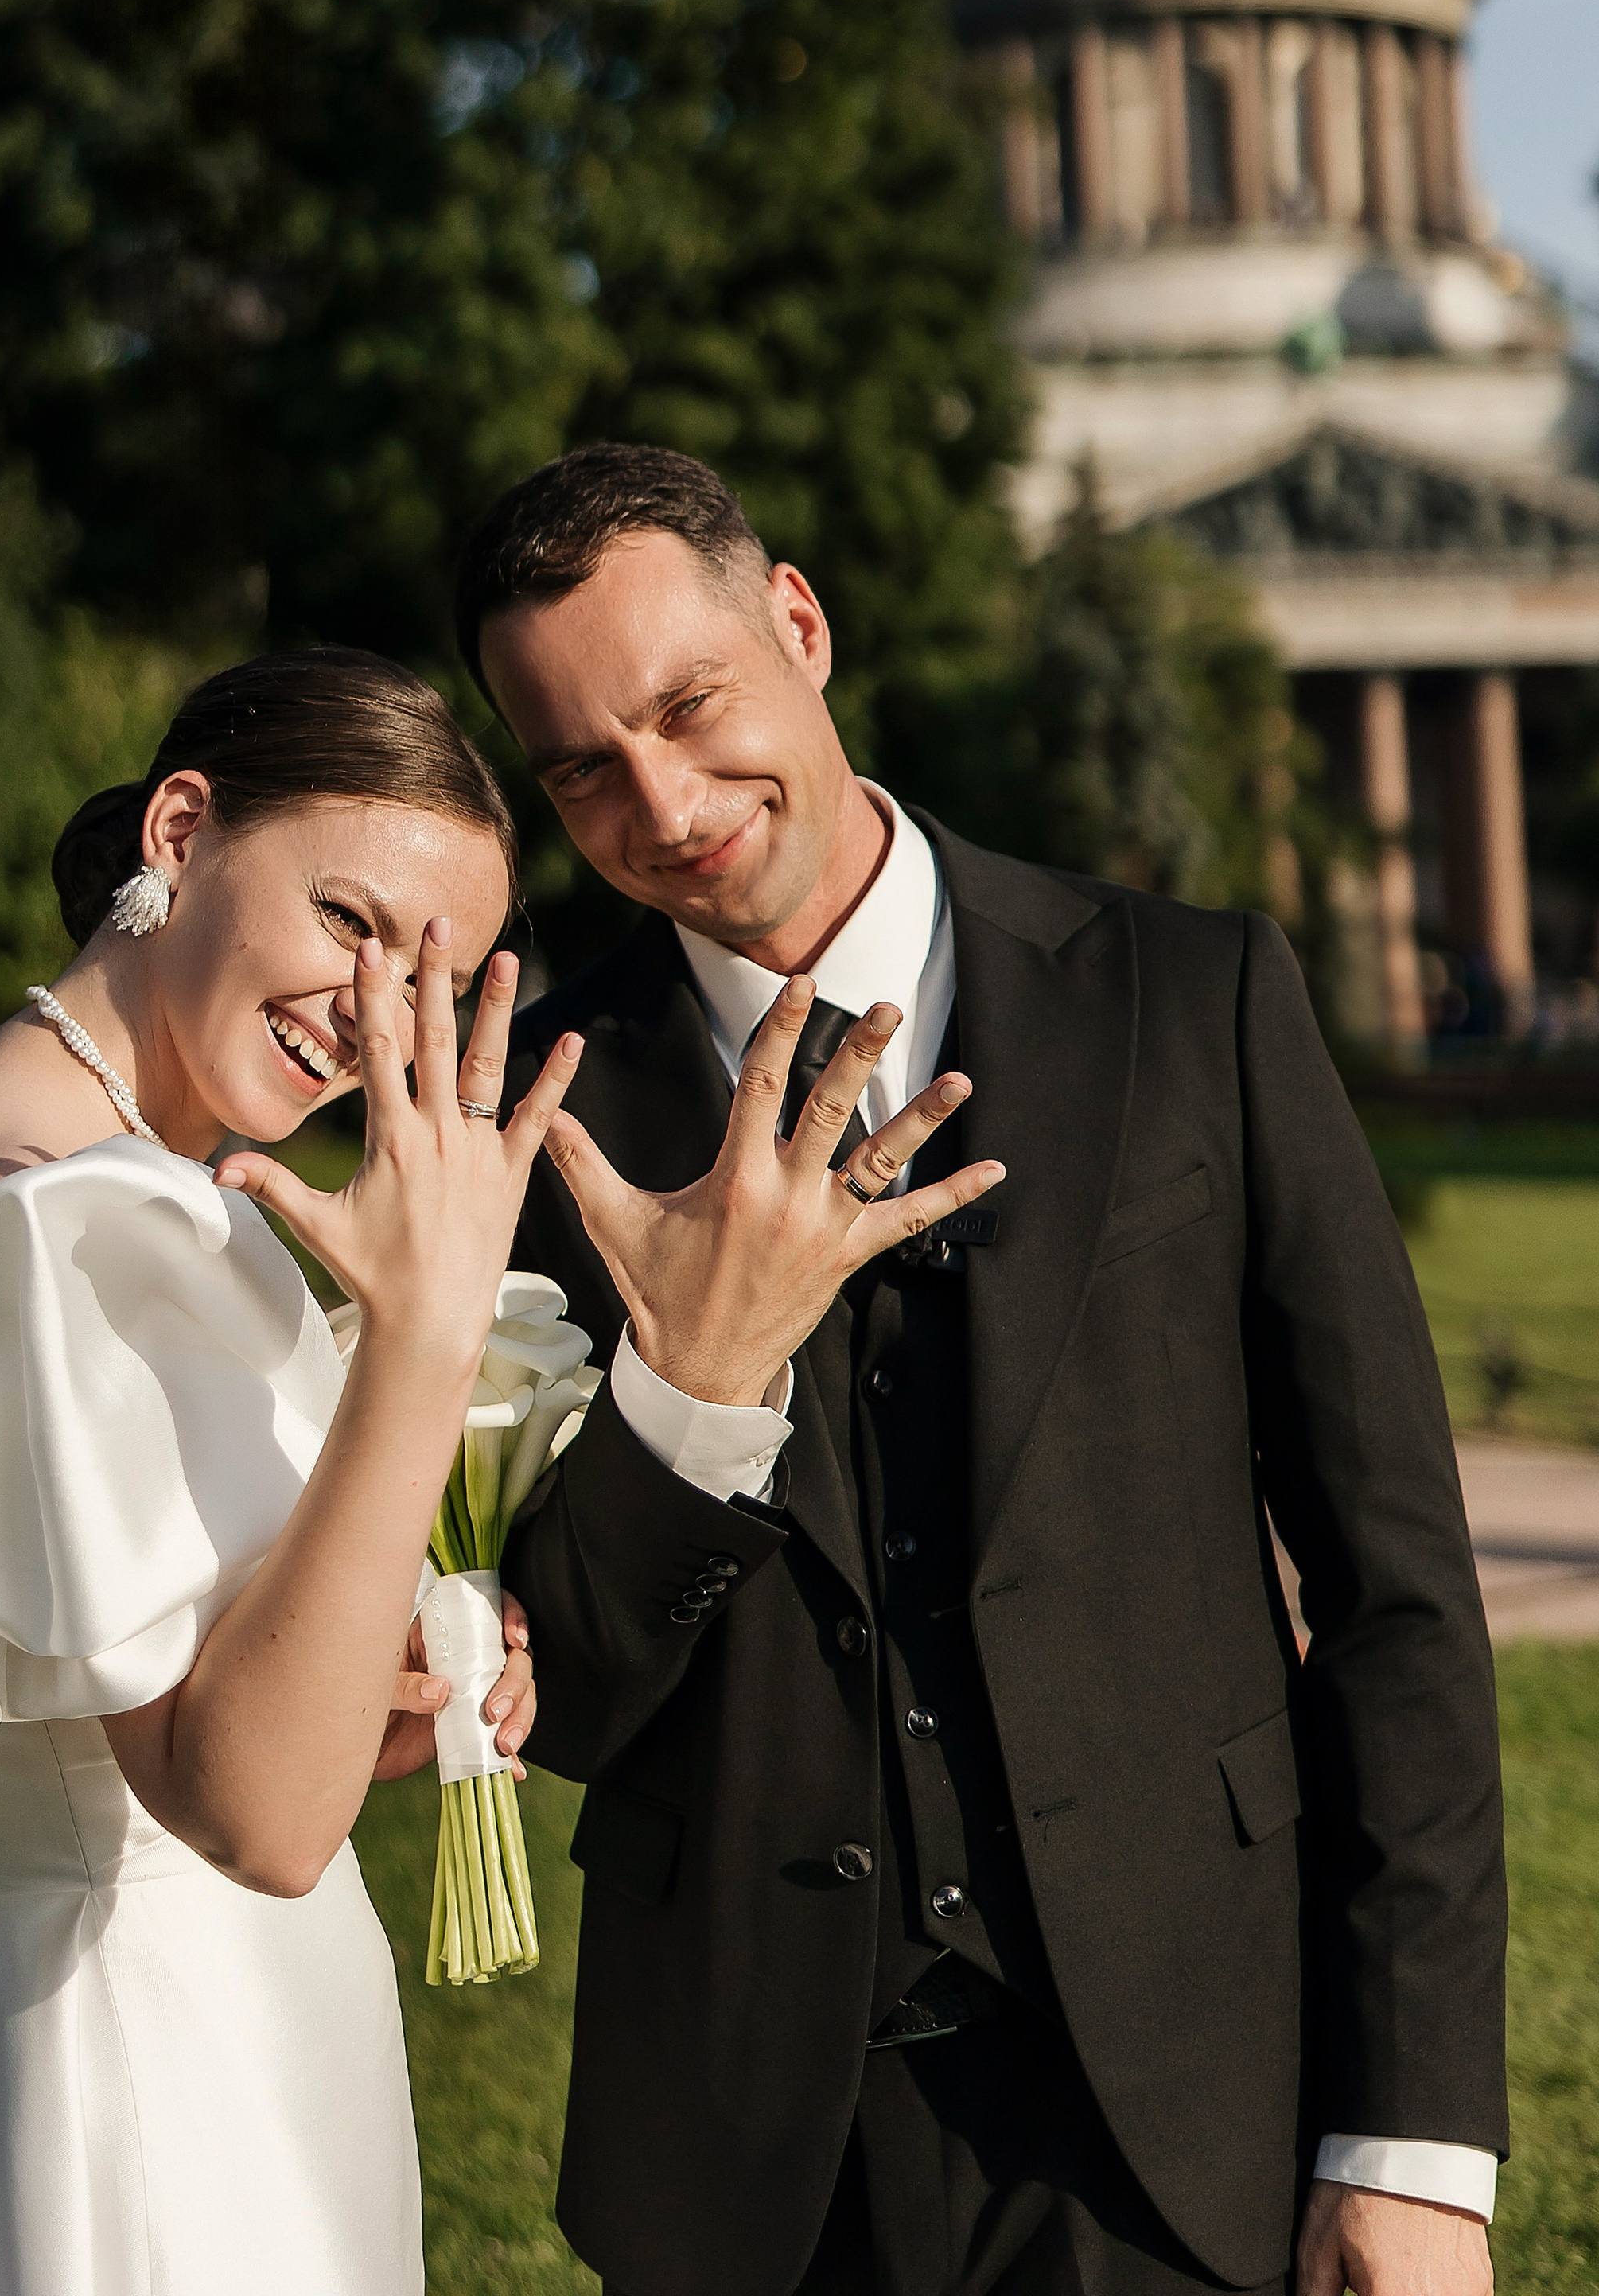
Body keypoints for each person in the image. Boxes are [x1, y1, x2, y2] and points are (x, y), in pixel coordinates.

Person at [460, 446, 1506, 2296]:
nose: (665, 803)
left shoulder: (1192, 998)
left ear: (796, 621)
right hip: (750, 2162)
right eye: (581, 771)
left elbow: (1393, 1597)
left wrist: (1409, 2140)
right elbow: (572, 1693)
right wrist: (686, 1387)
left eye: (690, 708)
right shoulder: (529, 1115)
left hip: (1187, 2109)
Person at [0, 645, 582, 2296]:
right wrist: (423, 1345)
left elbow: (138, 1713)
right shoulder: (79, 1226)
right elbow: (254, 1821)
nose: (370, 1015)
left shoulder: (36, 1159)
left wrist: (384, 1685)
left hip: (50, 1999)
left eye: (426, 978)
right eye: (347, 922)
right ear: (181, 828)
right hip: (150, 2086)